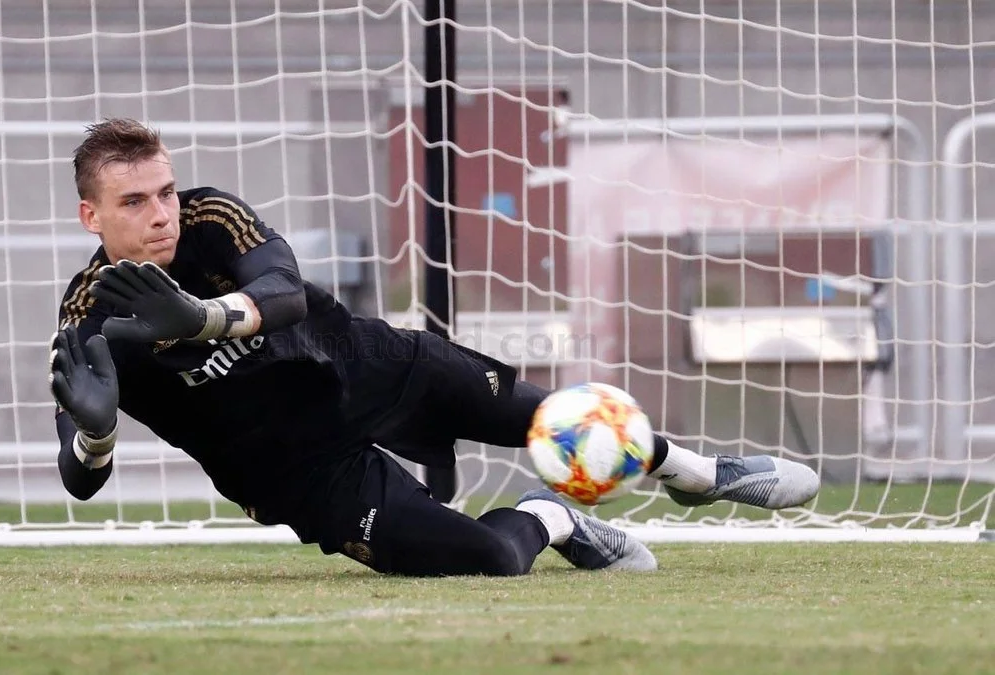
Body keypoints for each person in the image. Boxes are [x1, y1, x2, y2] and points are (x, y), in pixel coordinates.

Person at [47, 118, 820, 577]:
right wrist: (96, 433)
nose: (162, 213)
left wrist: (203, 317)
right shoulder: (88, 322)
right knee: (491, 561)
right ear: (92, 216)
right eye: (134, 201)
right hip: (300, 471)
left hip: (365, 365)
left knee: (559, 417)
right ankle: (553, 517)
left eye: (165, 191)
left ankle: (698, 472)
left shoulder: (211, 216)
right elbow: (81, 479)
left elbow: (283, 292)